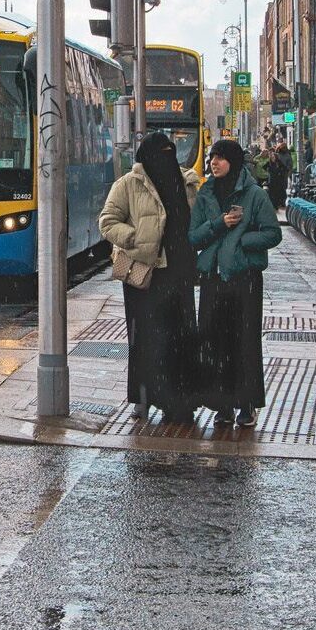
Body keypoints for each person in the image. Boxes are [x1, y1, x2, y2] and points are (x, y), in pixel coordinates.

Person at [99, 133, 201, 423]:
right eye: (159, 153)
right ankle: (143, 398)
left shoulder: (186, 183)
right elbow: (107, 222)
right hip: (144, 274)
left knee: (178, 337)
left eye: (170, 152)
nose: (165, 159)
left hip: (179, 273)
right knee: (145, 339)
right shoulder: (128, 185)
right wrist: (134, 239)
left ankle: (178, 398)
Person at [189, 140, 282, 428]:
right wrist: (219, 223)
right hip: (212, 279)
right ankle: (222, 405)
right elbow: (193, 237)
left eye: (220, 158)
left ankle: (246, 403)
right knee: (214, 342)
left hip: (245, 280)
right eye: (212, 158)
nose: (214, 163)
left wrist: (243, 242)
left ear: (234, 161)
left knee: (244, 342)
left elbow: (273, 233)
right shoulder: (206, 193)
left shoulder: (254, 195)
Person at [265, 141, 291, 217]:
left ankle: (278, 203)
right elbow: (264, 167)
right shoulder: (270, 163)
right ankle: (274, 205)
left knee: (279, 191)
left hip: (279, 179)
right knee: (272, 193)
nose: (273, 158)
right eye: (272, 157)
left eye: (274, 157)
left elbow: (285, 167)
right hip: (272, 180)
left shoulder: (279, 161)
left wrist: (282, 172)